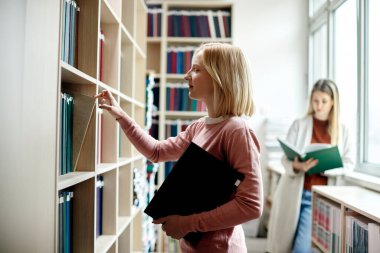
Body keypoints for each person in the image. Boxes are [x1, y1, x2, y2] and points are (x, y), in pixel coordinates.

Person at [96, 42, 263, 253]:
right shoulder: (199, 127)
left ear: (219, 77)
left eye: (196, 69)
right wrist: (121, 115)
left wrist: (187, 224)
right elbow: (156, 152)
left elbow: (251, 205)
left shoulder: (237, 131)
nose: (186, 76)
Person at [267, 79, 354, 253]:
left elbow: (349, 164)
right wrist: (298, 165)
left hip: (319, 197)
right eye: (315, 101)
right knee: (284, 244)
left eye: (323, 101)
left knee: (301, 249)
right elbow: (285, 159)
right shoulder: (300, 124)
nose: (319, 106)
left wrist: (325, 167)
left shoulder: (343, 130)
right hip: (295, 193)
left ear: (333, 103)